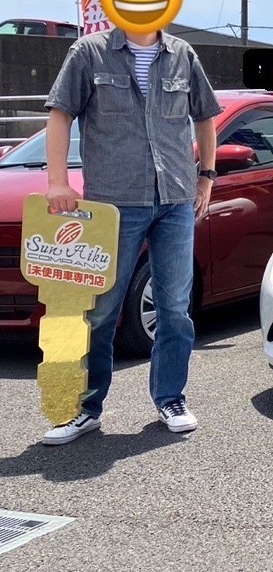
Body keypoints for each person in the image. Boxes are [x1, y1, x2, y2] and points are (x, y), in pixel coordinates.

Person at [40, 24, 222, 445]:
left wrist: (207, 176)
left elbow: (205, 116)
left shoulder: (181, 53)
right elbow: (59, 114)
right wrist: (58, 181)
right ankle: (83, 408)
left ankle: (170, 397)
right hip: (113, 202)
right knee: (100, 310)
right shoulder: (89, 52)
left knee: (175, 308)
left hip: (176, 198)